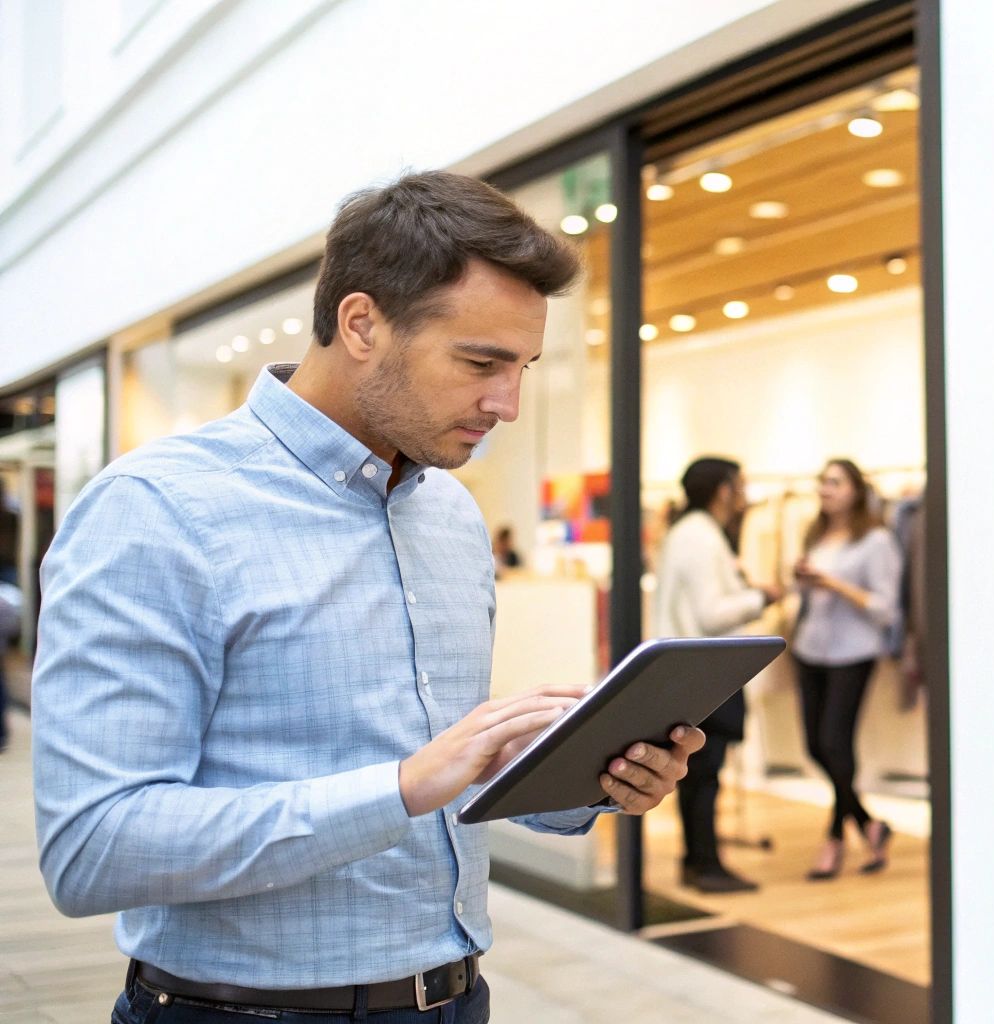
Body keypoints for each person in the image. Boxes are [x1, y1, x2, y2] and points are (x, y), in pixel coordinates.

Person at [32, 171, 704, 1024]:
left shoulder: (451, 515)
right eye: (481, 362)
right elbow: (93, 848)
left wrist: (590, 781)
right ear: (361, 324)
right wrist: (399, 789)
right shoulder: (157, 512)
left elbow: (443, 782)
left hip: (457, 999)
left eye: (524, 365)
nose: (508, 403)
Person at [652, 456, 781, 894]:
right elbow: (712, 614)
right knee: (705, 775)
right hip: (705, 672)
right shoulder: (702, 537)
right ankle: (705, 865)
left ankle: (699, 861)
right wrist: (759, 598)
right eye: (740, 486)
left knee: (698, 775)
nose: (744, 496)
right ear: (724, 489)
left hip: (689, 670)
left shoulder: (685, 533)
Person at [792, 459, 902, 881]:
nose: (825, 489)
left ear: (856, 490)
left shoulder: (876, 541)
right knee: (816, 747)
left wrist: (833, 583)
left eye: (835, 482)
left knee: (836, 743)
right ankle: (870, 824)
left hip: (852, 653)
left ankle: (835, 839)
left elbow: (885, 608)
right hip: (810, 648)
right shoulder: (816, 535)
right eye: (822, 482)